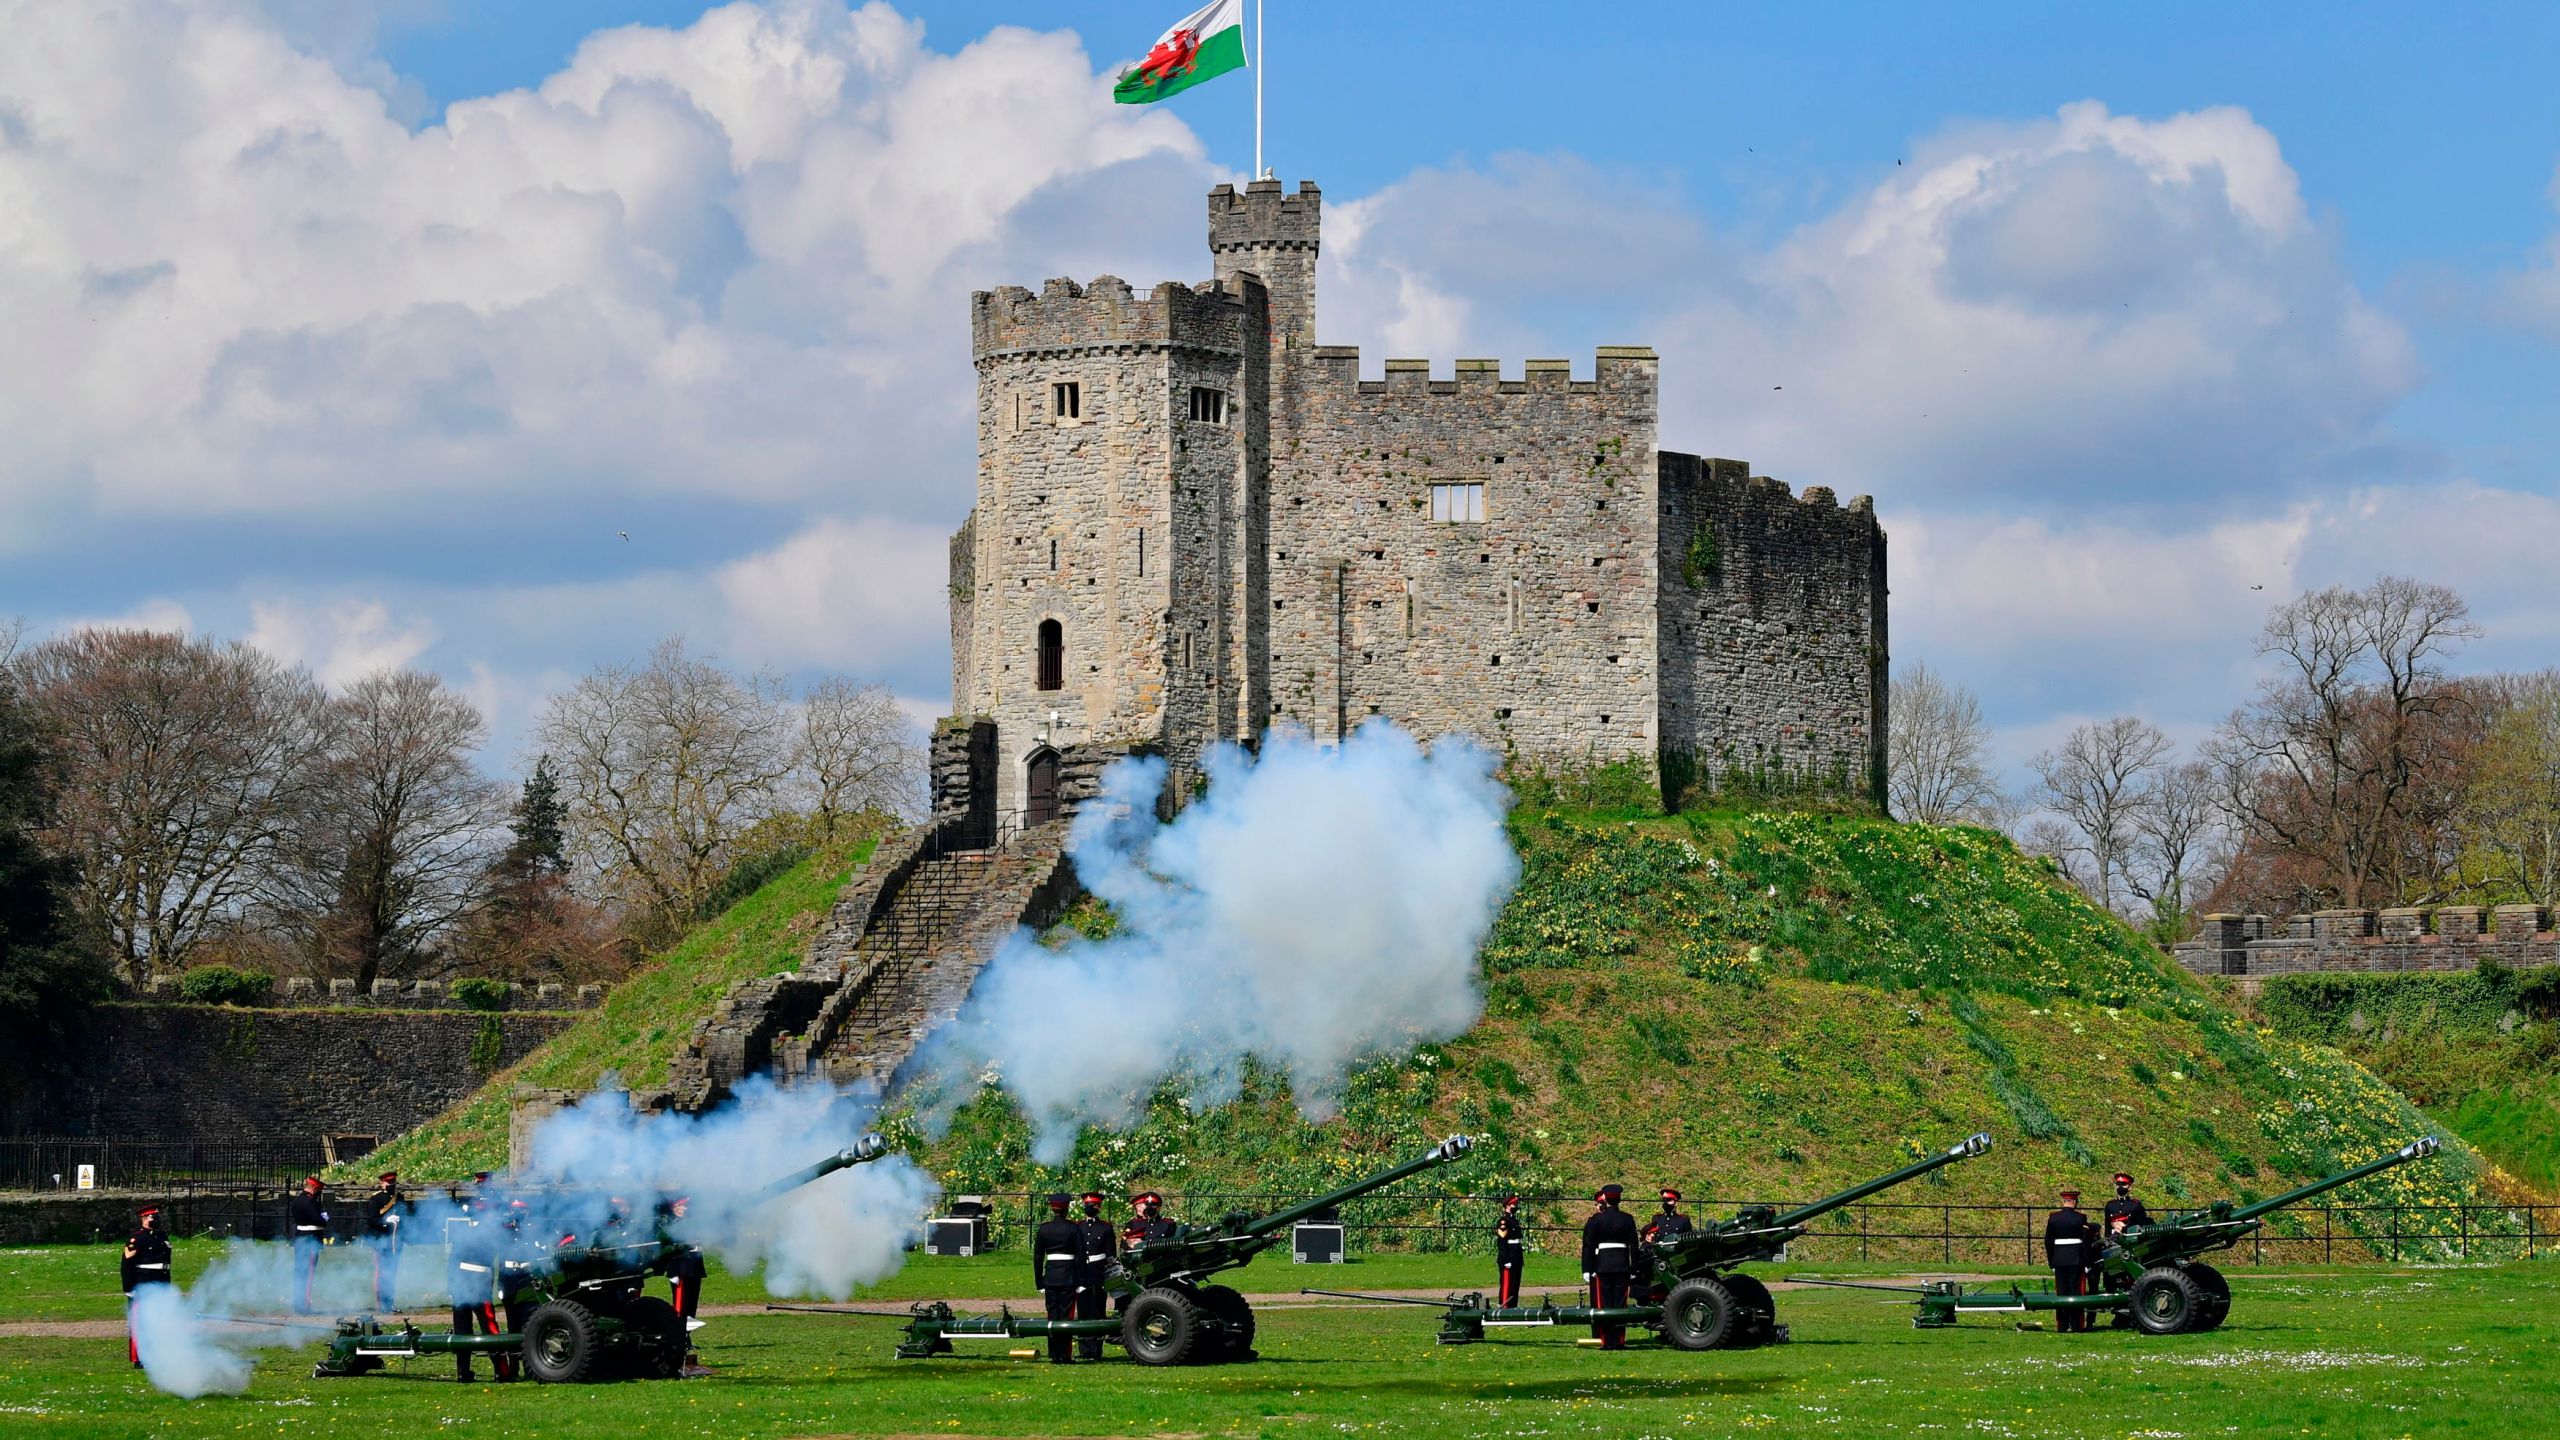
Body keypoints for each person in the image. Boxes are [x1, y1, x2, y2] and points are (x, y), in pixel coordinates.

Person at [445, 1194, 514, 1382]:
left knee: (462, 1330)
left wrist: (451, 1286)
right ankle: (502, 1371)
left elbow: (452, 1261)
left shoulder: (461, 1229)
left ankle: (462, 1372)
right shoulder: (490, 1230)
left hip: (460, 1282)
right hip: (479, 1283)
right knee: (489, 1328)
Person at [1580, 1183, 1639, 1350]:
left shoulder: (1596, 1220)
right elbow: (1634, 1246)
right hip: (1622, 1265)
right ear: (1619, 1199)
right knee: (1620, 1304)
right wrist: (1634, 1268)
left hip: (1602, 1265)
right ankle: (1619, 1340)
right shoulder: (1627, 1219)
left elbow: (1589, 1246)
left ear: (1605, 1200)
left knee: (1604, 1304)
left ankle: (1606, 1340)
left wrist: (1587, 1269)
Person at [657, 1194, 709, 1375]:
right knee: (680, 1309)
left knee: (691, 1308)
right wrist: (672, 1272)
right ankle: (678, 1340)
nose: (687, 1209)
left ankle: (686, 1339)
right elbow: (669, 1250)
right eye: (683, 1206)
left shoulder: (693, 1223)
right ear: (675, 1207)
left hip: (694, 1270)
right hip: (680, 1271)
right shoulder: (671, 1226)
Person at [120, 1205, 174, 1368]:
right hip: (143, 1284)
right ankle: (140, 1358)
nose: (157, 1220)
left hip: (161, 1282)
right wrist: (129, 1289)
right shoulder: (137, 1239)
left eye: (157, 1217)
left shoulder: (162, 1236)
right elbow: (127, 1266)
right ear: (144, 1219)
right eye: (153, 1218)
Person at [2043, 1187, 2102, 1333]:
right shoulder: (2080, 1218)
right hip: (2076, 1259)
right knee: (2076, 1292)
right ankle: (2076, 1325)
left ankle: (2062, 1325)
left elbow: (2048, 1241)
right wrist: (2087, 1262)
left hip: (2059, 1259)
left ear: (2063, 1201)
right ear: (2074, 1202)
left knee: (2061, 1292)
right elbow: (2085, 1242)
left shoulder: (2053, 1218)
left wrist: (2052, 1261)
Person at [1033, 1193, 1083, 1363]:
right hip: (1068, 1276)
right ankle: (1065, 1354)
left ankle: (1054, 1353)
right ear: (1067, 1208)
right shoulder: (1073, 1228)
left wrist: (1039, 1280)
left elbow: (1038, 1257)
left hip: (1051, 1277)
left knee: (1052, 1315)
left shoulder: (1044, 1228)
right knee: (1066, 1317)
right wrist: (1081, 1280)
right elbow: (1080, 1256)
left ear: (1052, 1208)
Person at [1074, 1192, 1117, 1360]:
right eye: (1087, 1205)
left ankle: (1097, 1349)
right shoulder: (1078, 1226)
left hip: (1098, 1271)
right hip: (1082, 1272)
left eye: (1093, 1205)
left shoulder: (1105, 1227)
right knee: (1083, 1309)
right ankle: (1085, 1349)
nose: (1090, 1208)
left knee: (1098, 1309)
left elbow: (1110, 1253)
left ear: (1099, 1207)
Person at [361, 1170, 404, 1312]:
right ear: (382, 1183)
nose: (392, 1184)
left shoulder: (400, 1198)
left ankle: (390, 1301)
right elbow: (372, 1220)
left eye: (393, 1182)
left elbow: (406, 1215)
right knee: (381, 1272)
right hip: (380, 1240)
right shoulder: (376, 1199)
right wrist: (385, 1221)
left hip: (395, 1241)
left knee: (392, 1272)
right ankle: (381, 1304)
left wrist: (400, 1220)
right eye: (389, 1182)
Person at [287, 1176, 328, 1313]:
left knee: (300, 1271)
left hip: (300, 1238)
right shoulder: (310, 1202)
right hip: (311, 1240)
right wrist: (324, 1219)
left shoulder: (298, 1201)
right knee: (308, 1272)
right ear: (315, 1188)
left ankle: (298, 1302)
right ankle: (304, 1304)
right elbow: (318, 1220)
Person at [1494, 1195, 1527, 1308]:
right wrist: (1506, 1259)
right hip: (1508, 1255)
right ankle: (1504, 1306)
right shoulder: (1504, 1221)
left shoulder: (1514, 1220)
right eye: (1514, 1204)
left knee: (1515, 1284)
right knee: (1507, 1284)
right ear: (1508, 1205)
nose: (1516, 1206)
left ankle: (1513, 1306)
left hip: (1516, 1254)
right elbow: (1502, 1242)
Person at [2103, 1172, 2152, 1240]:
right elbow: (2107, 1228)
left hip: (2130, 1239)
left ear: (2130, 1187)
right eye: (2118, 1184)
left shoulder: (2135, 1205)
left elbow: (2141, 1226)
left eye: (2123, 1184)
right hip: (2113, 1240)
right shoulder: (2110, 1205)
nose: (2120, 1186)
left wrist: (2124, 1228)